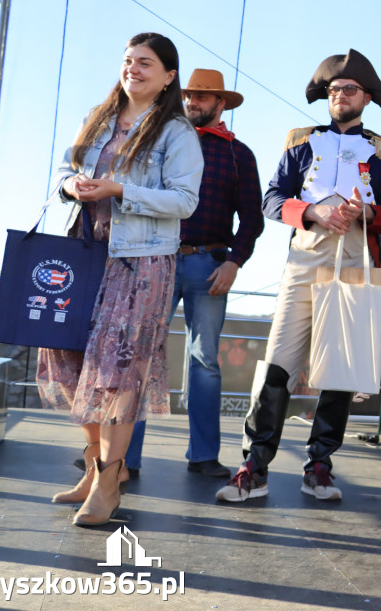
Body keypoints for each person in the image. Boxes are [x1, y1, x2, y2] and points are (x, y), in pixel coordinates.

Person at [216, 49, 381, 503]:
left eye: (350, 90)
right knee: (278, 359)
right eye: (335, 90)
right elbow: (272, 200)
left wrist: (368, 212)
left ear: (367, 97)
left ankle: (320, 465)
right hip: (305, 256)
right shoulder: (299, 142)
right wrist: (313, 210)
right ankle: (254, 466)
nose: (341, 96)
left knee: (339, 365)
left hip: (357, 256)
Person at [36, 32, 202, 527]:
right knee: (67, 358)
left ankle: (110, 482)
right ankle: (93, 467)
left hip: (142, 264)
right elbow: (63, 172)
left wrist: (120, 189)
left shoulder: (177, 133)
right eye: (128, 60)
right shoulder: (99, 117)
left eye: (145, 63)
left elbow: (184, 202)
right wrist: (71, 185)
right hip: (85, 254)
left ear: (169, 76)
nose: (134, 68)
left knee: (117, 374)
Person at [124, 69, 265, 479]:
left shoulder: (239, 154)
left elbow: (252, 220)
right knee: (139, 356)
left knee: (205, 362)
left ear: (222, 103)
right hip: (156, 259)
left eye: (203, 97)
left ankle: (203, 456)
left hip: (210, 264)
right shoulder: (161, 141)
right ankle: (121, 458)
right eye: (189, 96)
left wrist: (233, 263)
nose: (193, 103)